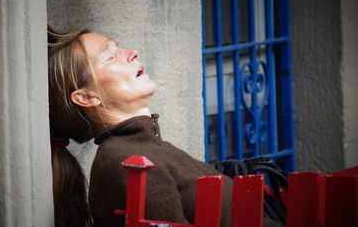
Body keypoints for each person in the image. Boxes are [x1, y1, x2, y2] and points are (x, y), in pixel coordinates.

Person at [47, 27, 278, 227]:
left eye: (118, 47)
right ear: (87, 97)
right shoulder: (128, 162)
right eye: (110, 56)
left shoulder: (145, 149)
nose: (131, 53)